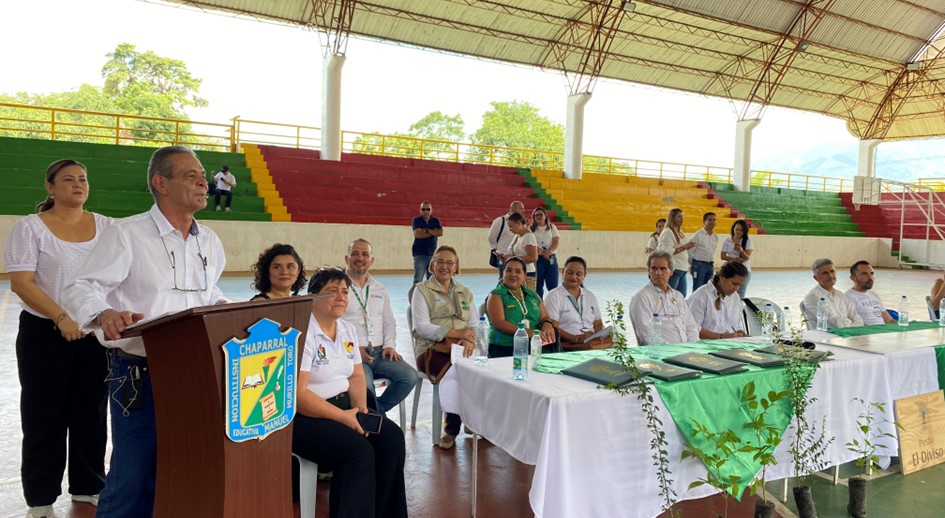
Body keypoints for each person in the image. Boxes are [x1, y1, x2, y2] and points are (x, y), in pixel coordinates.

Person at [60, 145, 228, 518]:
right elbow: (78, 288)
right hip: (140, 375)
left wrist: (224, 309)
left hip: (198, 375)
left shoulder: (209, 241)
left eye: (203, 175)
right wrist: (103, 313)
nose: (204, 181)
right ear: (160, 183)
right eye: (191, 175)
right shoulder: (127, 234)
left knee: (179, 473)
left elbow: (207, 291)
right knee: (133, 478)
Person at [4, 159, 113, 518]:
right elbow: (21, 282)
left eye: (83, 179)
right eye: (68, 179)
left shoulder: (108, 227)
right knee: (43, 415)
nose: (78, 184)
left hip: (93, 333)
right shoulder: (30, 228)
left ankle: (89, 486)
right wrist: (62, 317)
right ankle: (40, 500)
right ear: (50, 187)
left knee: (92, 413)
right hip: (44, 333)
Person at [292, 267, 408, 518]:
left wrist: (361, 410)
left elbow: (356, 375)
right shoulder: (303, 332)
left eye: (344, 291)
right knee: (358, 452)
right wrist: (345, 418)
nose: (341, 297)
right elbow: (300, 397)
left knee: (391, 439)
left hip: (347, 407)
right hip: (308, 416)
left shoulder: (346, 330)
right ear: (313, 296)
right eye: (331, 292)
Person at [410, 245, 478, 449]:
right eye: (440, 261)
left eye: (450, 262)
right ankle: (451, 429)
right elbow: (421, 327)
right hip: (431, 350)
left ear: (456, 267)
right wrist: (456, 333)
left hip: (461, 348)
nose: (445, 266)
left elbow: (473, 324)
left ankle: (471, 420)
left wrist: (468, 339)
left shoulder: (465, 292)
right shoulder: (421, 290)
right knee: (457, 371)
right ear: (431, 266)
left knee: (482, 371)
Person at [342, 239, 419, 414]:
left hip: (380, 353)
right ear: (347, 259)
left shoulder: (379, 289)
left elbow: (388, 321)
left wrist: (390, 345)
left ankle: (376, 413)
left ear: (372, 260)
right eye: (355, 253)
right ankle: (371, 417)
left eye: (365, 254)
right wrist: (352, 348)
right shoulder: (339, 288)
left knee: (409, 377)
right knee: (366, 388)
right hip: (352, 355)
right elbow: (332, 323)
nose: (360, 258)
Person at [486, 257, 556, 357]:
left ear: (524, 275)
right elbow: (499, 323)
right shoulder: (496, 295)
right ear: (503, 273)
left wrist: (547, 324)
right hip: (505, 347)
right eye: (509, 270)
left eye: (518, 271)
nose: (513, 274)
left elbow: (544, 316)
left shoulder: (533, 295)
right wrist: (528, 332)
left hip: (533, 346)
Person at [629, 251, 700, 345]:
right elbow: (646, 336)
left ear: (671, 272)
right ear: (648, 271)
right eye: (654, 268)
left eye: (663, 269)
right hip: (660, 355)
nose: (658, 273)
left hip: (686, 352)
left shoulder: (678, 296)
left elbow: (691, 327)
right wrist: (671, 351)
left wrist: (693, 347)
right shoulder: (642, 298)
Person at [543, 256, 611, 350]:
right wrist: (577, 339)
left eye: (579, 274)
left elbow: (598, 323)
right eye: (570, 273)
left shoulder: (590, 295)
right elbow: (553, 327)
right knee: (591, 348)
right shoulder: (554, 296)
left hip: (589, 340)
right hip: (568, 343)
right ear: (563, 272)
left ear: (584, 276)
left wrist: (599, 337)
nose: (574, 277)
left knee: (615, 343)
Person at [687, 261, 749, 339]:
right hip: (705, 346)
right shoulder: (701, 296)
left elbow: (736, 325)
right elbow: (692, 329)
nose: (737, 289)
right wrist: (723, 337)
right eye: (734, 284)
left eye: (740, 285)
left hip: (730, 343)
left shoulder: (735, 297)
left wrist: (742, 334)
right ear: (722, 277)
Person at [801, 258, 863, 329]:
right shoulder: (813, 297)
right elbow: (834, 324)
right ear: (816, 278)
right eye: (825, 273)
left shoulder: (839, 294)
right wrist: (850, 321)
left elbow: (858, 319)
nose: (830, 276)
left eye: (832, 271)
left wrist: (850, 322)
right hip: (823, 338)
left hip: (846, 336)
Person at [657, 208, 695, 297]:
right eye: (679, 217)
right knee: (669, 295)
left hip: (682, 268)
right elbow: (667, 251)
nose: (682, 219)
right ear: (672, 218)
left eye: (682, 217)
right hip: (674, 268)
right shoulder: (667, 232)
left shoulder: (680, 232)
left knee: (681, 296)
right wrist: (685, 247)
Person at [844, 260, 894, 325]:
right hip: (867, 333)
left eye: (872, 273)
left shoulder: (874, 295)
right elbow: (851, 322)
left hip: (882, 332)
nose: (870, 277)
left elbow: (889, 321)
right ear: (853, 278)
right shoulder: (848, 297)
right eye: (864, 274)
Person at [501, 212, 539, 291]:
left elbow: (533, 257)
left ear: (518, 223)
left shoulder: (528, 237)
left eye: (511, 226)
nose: (510, 229)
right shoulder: (517, 236)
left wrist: (512, 257)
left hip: (527, 273)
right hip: (516, 271)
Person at [487, 201, 525, 277]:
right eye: (520, 208)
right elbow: (491, 237)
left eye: (522, 209)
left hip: (516, 256)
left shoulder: (522, 223)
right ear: (512, 208)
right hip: (503, 256)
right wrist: (497, 250)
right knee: (504, 279)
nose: (523, 211)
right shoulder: (500, 220)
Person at [530, 206, 560, 297]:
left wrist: (548, 251)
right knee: (538, 285)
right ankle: (539, 306)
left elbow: (556, 240)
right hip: (537, 258)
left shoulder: (551, 227)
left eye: (540, 214)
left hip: (550, 258)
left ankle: (554, 304)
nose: (538, 217)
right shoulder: (530, 229)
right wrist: (540, 252)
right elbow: (529, 242)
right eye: (536, 215)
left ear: (545, 216)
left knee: (553, 285)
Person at [411, 200, 442, 285]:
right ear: (420, 210)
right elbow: (418, 234)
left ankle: (431, 297)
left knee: (432, 280)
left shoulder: (436, 221)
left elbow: (440, 233)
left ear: (431, 210)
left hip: (432, 254)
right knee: (418, 279)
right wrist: (433, 232)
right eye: (423, 209)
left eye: (428, 209)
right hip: (419, 254)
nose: (425, 211)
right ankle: (415, 297)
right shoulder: (416, 220)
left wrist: (426, 230)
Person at [721, 219, 753, 298]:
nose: (738, 232)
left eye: (741, 230)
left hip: (744, 270)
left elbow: (747, 258)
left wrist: (741, 251)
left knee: (740, 295)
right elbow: (723, 256)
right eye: (737, 229)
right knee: (727, 294)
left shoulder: (747, 241)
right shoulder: (727, 240)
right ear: (733, 229)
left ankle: (739, 309)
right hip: (731, 270)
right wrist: (736, 259)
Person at [688, 212, 719, 292]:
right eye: (710, 220)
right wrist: (694, 263)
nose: (712, 222)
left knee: (708, 289)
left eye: (714, 220)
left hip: (710, 265)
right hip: (699, 265)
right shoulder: (697, 235)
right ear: (704, 221)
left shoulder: (715, 237)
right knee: (697, 289)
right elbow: (689, 250)